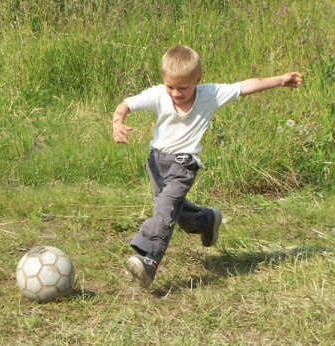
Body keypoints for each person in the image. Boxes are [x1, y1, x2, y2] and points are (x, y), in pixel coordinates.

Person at [112, 45, 303, 288]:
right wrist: (118, 123)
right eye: (171, 86)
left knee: (165, 208)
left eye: (183, 87)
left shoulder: (209, 94)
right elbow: (125, 104)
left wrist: (279, 80)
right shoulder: (159, 94)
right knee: (173, 212)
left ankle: (150, 261)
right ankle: (207, 220)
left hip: (184, 164)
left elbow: (246, 85)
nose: (176, 93)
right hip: (157, 162)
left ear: (198, 80)